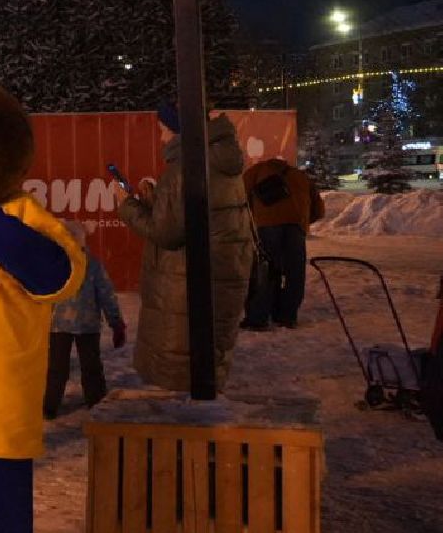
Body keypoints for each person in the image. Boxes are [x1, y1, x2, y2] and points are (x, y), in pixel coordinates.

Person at [119, 102, 255, 392]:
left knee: (180, 376)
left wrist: (129, 207)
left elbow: (166, 233)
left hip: (185, 288)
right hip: (216, 280)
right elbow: (195, 218)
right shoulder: (220, 163)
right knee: (203, 366)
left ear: (181, 133)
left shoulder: (185, 168)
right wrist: (157, 202)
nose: (161, 138)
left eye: (164, 131)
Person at [43, 220, 126, 419]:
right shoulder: (93, 264)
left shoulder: (56, 263)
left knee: (57, 368)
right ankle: (96, 402)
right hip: (87, 324)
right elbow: (106, 294)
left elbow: (44, 294)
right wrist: (116, 322)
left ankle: (49, 405)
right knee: (91, 366)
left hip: (59, 325)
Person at [242, 156, 324, 330]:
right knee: (295, 272)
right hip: (296, 224)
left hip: (266, 225)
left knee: (267, 270)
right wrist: (301, 223)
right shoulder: (300, 176)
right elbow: (319, 209)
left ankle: (258, 317)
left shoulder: (255, 172)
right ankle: (287, 316)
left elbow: (240, 197)